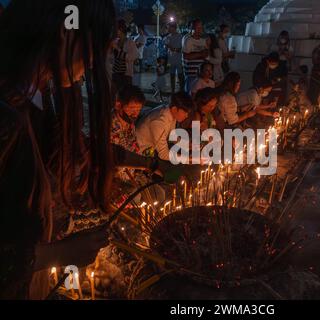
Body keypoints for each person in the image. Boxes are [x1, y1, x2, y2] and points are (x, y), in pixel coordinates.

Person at [0, 0, 116, 299]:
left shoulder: (34, 101)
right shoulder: (7, 117)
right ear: (67, 31)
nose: (91, 64)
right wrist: (60, 253)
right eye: (94, 49)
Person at [136, 93, 194, 170]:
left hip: (152, 150)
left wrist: (186, 144)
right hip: (140, 155)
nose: (186, 116)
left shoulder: (169, 112)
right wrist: (188, 159)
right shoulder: (159, 121)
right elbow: (163, 154)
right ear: (174, 109)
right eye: (185, 112)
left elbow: (171, 135)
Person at [182, 19, 209, 93]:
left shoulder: (203, 41)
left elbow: (206, 55)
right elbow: (186, 56)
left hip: (201, 75)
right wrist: (200, 54)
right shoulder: (188, 40)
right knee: (190, 96)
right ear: (192, 28)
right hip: (191, 75)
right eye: (197, 28)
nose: (200, 30)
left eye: (201, 28)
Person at [112, 19, 139, 90]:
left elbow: (134, 56)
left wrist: (118, 49)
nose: (114, 31)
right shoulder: (115, 42)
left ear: (121, 30)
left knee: (125, 95)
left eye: (116, 29)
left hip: (126, 75)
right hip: (115, 73)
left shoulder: (130, 42)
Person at [164, 22, 185, 94]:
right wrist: (167, 47)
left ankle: (181, 91)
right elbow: (166, 47)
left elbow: (182, 49)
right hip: (171, 60)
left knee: (180, 76)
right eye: (168, 27)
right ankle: (172, 91)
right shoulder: (167, 37)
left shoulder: (180, 37)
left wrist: (173, 49)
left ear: (174, 28)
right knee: (172, 75)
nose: (168, 29)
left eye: (169, 27)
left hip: (179, 60)